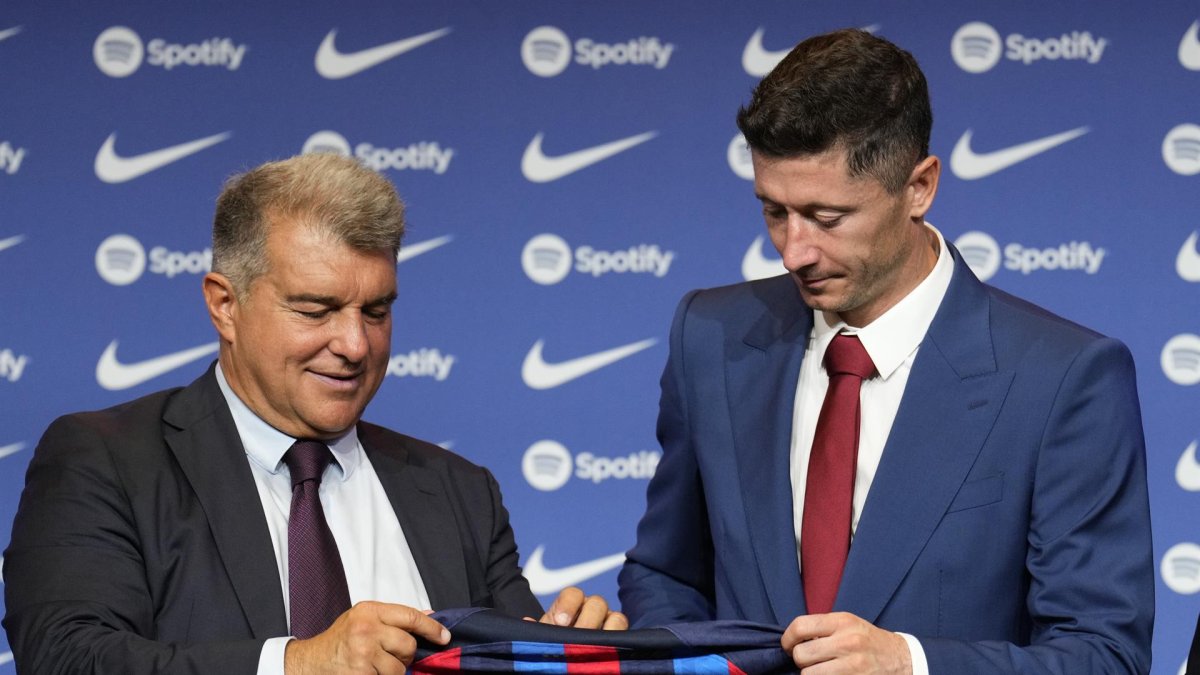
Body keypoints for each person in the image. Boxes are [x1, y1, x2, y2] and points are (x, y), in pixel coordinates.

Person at [618, 28, 1153, 674]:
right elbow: (665, 573)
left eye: (827, 216)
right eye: (773, 211)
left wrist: (911, 662)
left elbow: (1103, 654)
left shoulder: (1063, 379)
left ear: (919, 186)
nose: (794, 250)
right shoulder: (710, 336)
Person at [3, 153, 625, 674]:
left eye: (376, 312)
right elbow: (66, 656)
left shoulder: (461, 492)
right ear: (224, 304)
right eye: (315, 310)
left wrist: (565, 649)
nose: (355, 345)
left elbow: (510, 649)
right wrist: (296, 663)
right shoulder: (106, 460)